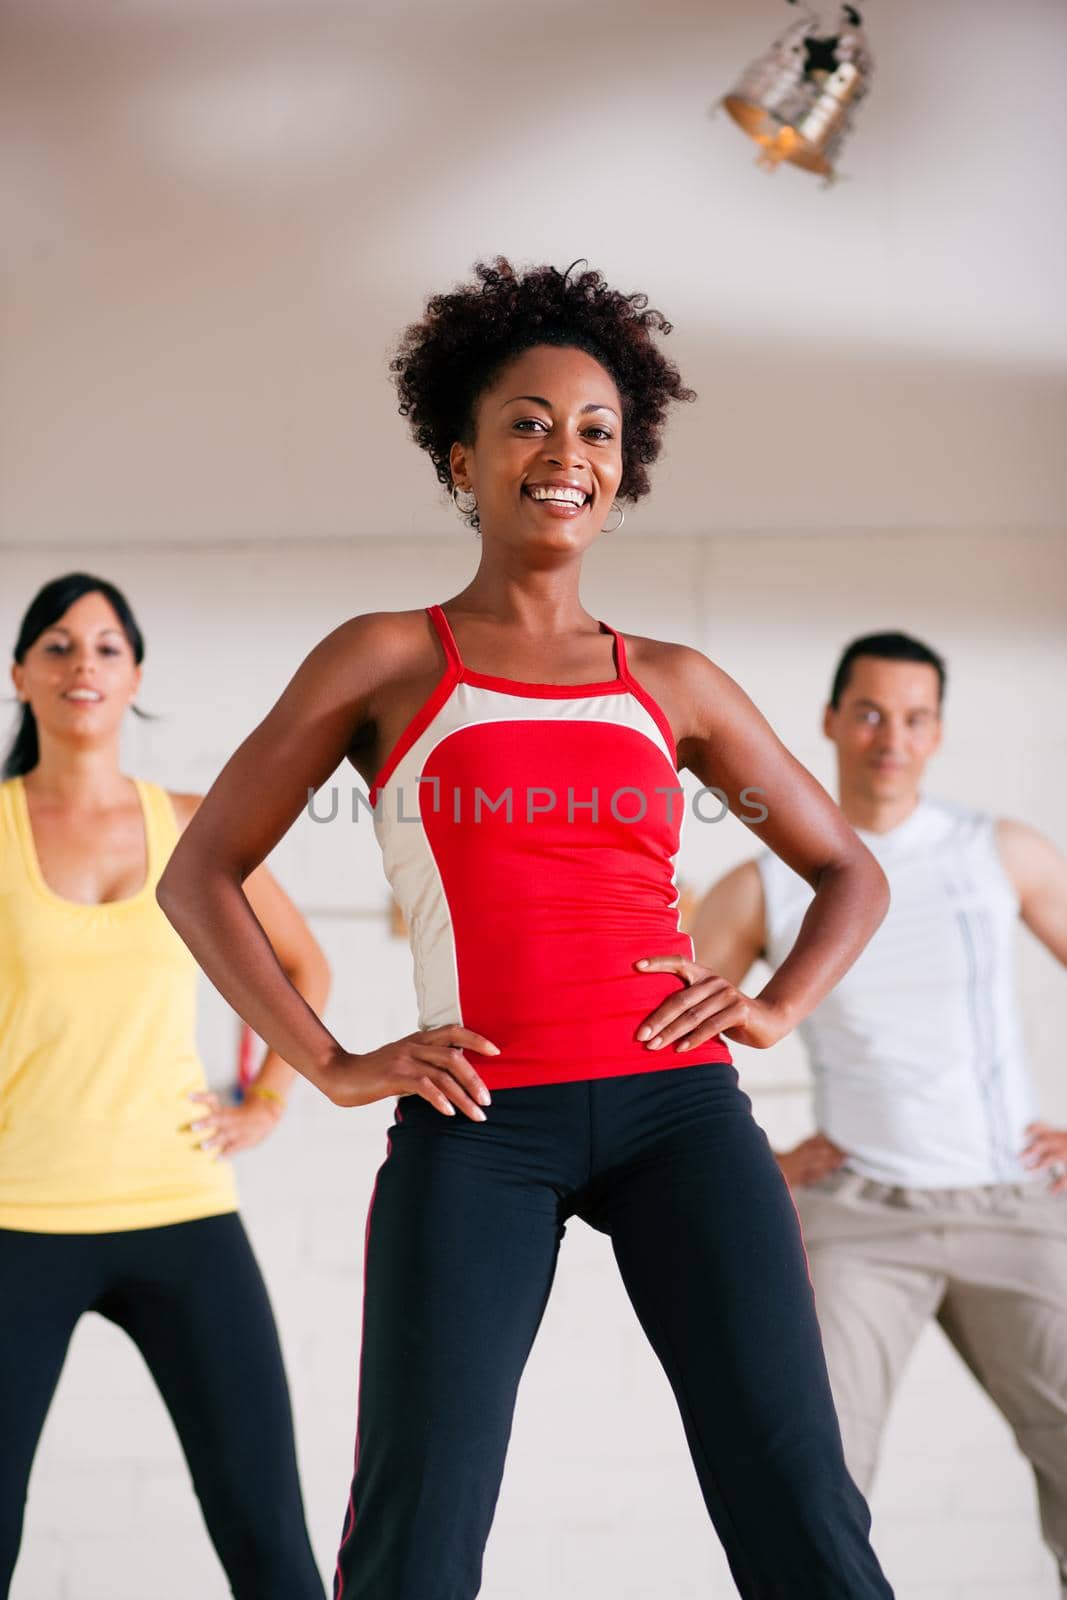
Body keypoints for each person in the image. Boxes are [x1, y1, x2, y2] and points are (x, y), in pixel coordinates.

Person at [156, 258, 896, 1600]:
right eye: (528, 422)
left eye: (596, 430)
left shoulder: (669, 686)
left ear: (624, 471)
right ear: (462, 456)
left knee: (793, 1487)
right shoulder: (387, 660)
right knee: (418, 1520)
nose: (566, 452)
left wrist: (773, 1008)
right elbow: (200, 872)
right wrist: (326, 1061)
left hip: (680, 1118)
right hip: (482, 1125)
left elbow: (845, 871)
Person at [692, 629, 1067, 1593]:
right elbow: (661, 1040)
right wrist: (756, 1159)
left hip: (1014, 1206)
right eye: (867, 713)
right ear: (828, 722)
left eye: (912, 718)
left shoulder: (1001, 853)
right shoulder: (763, 884)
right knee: (813, 1481)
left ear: (936, 732)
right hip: (855, 1218)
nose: (887, 737)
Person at [1, 573, 328, 1600]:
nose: (81, 665)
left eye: (104, 647)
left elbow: (304, 966)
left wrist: (267, 1098)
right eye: (56, 645)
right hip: (18, 1215)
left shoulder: (189, 822)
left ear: (134, 674)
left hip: (179, 1207)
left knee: (268, 1538)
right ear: (20, 674)